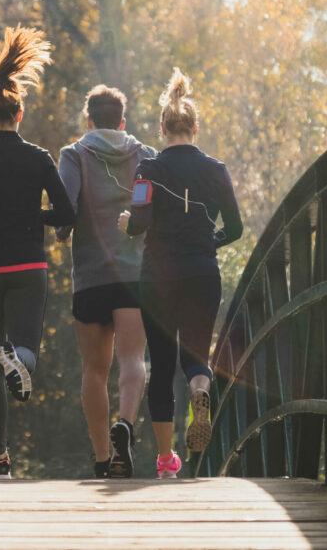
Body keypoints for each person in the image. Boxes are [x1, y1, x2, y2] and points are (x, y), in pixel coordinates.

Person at [0, 25, 75, 479]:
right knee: (23, 343)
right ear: (19, 114)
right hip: (28, 264)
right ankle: (20, 359)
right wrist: (33, 216)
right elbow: (66, 212)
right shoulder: (40, 156)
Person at [118, 68, 243, 479]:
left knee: (161, 363)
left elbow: (139, 223)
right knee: (195, 356)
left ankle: (166, 461)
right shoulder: (217, 169)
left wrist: (126, 224)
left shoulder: (147, 170)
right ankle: (200, 393)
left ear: (162, 128)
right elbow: (237, 229)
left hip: (158, 277)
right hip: (203, 272)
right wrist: (208, 244)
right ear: (195, 126)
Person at [57, 86, 156, 479]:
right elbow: (155, 214)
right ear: (123, 121)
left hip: (92, 277)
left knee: (93, 371)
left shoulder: (74, 155)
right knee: (132, 359)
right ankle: (126, 426)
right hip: (134, 275)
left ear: (89, 120)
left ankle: (102, 459)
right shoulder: (147, 157)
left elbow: (65, 218)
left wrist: (58, 226)